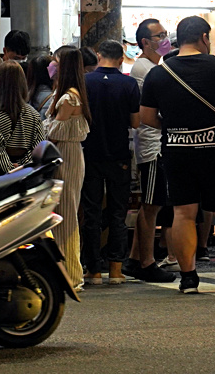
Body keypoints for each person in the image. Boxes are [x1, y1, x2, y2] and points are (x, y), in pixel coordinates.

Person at [139, 16, 215, 294]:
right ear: (203, 37)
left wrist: (174, 128)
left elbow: (146, 116)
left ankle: (189, 279)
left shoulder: (158, 73)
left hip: (177, 150)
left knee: (183, 213)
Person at [82, 40, 141, 286]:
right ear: (121, 59)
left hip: (90, 154)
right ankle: (116, 270)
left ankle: (93, 270)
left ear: (98, 56)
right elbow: (136, 123)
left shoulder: (84, 82)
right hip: (119, 156)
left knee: (91, 213)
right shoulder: (128, 84)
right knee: (118, 213)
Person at [125, 18, 176, 283]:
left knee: (152, 203)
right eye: (159, 36)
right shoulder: (145, 69)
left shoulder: (154, 66)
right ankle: (147, 262)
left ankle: (135, 258)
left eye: (165, 34)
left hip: (153, 145)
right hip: (153, 146)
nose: (164, 39)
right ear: (145, 42)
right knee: (151, 206)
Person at [44, 46, 91, 290]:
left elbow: (52, 131)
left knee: (66, 215)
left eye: (56, 62)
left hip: (67, 155)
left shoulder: (69, 97)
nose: (52, 66)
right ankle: (66, 273)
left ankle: (71, 275)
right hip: (66, 154)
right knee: (63, 213)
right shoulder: (66, 94)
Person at [0, 61, 46, 172]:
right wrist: (23, 166)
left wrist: (11, 170)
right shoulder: (33, 114)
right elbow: (39, 146)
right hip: (26, 173)